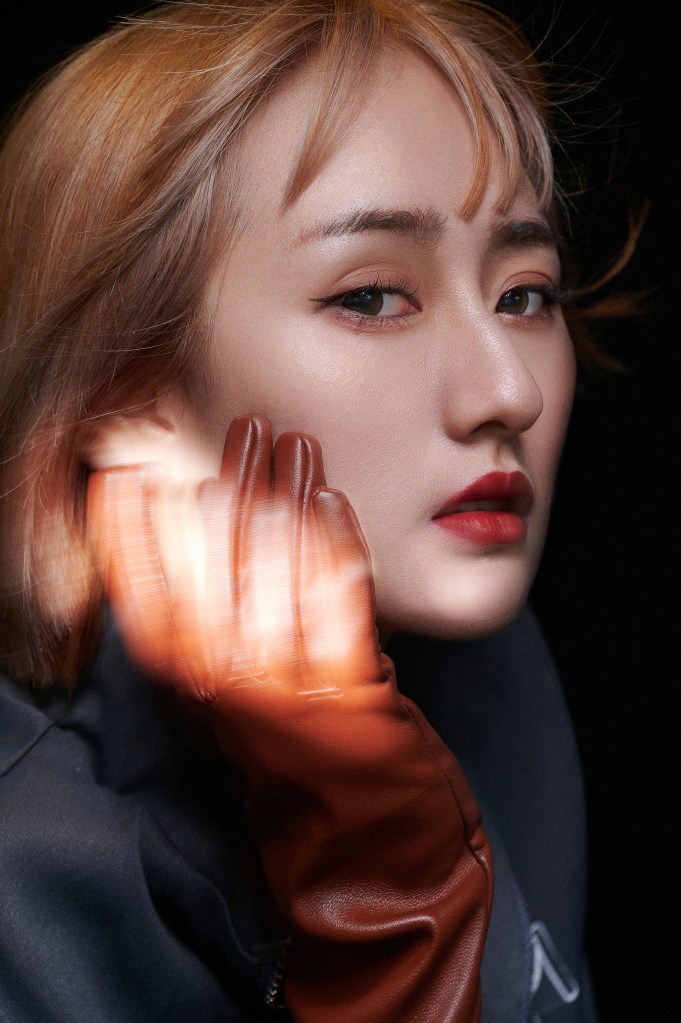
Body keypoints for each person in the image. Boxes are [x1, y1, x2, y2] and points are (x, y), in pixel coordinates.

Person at [0, 1, 605, 1019]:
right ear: (122, 392)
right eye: (372, 296)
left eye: (524, 293)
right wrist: (391, 891)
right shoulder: (25, 883)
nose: (510, 390)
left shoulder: (490, 672)